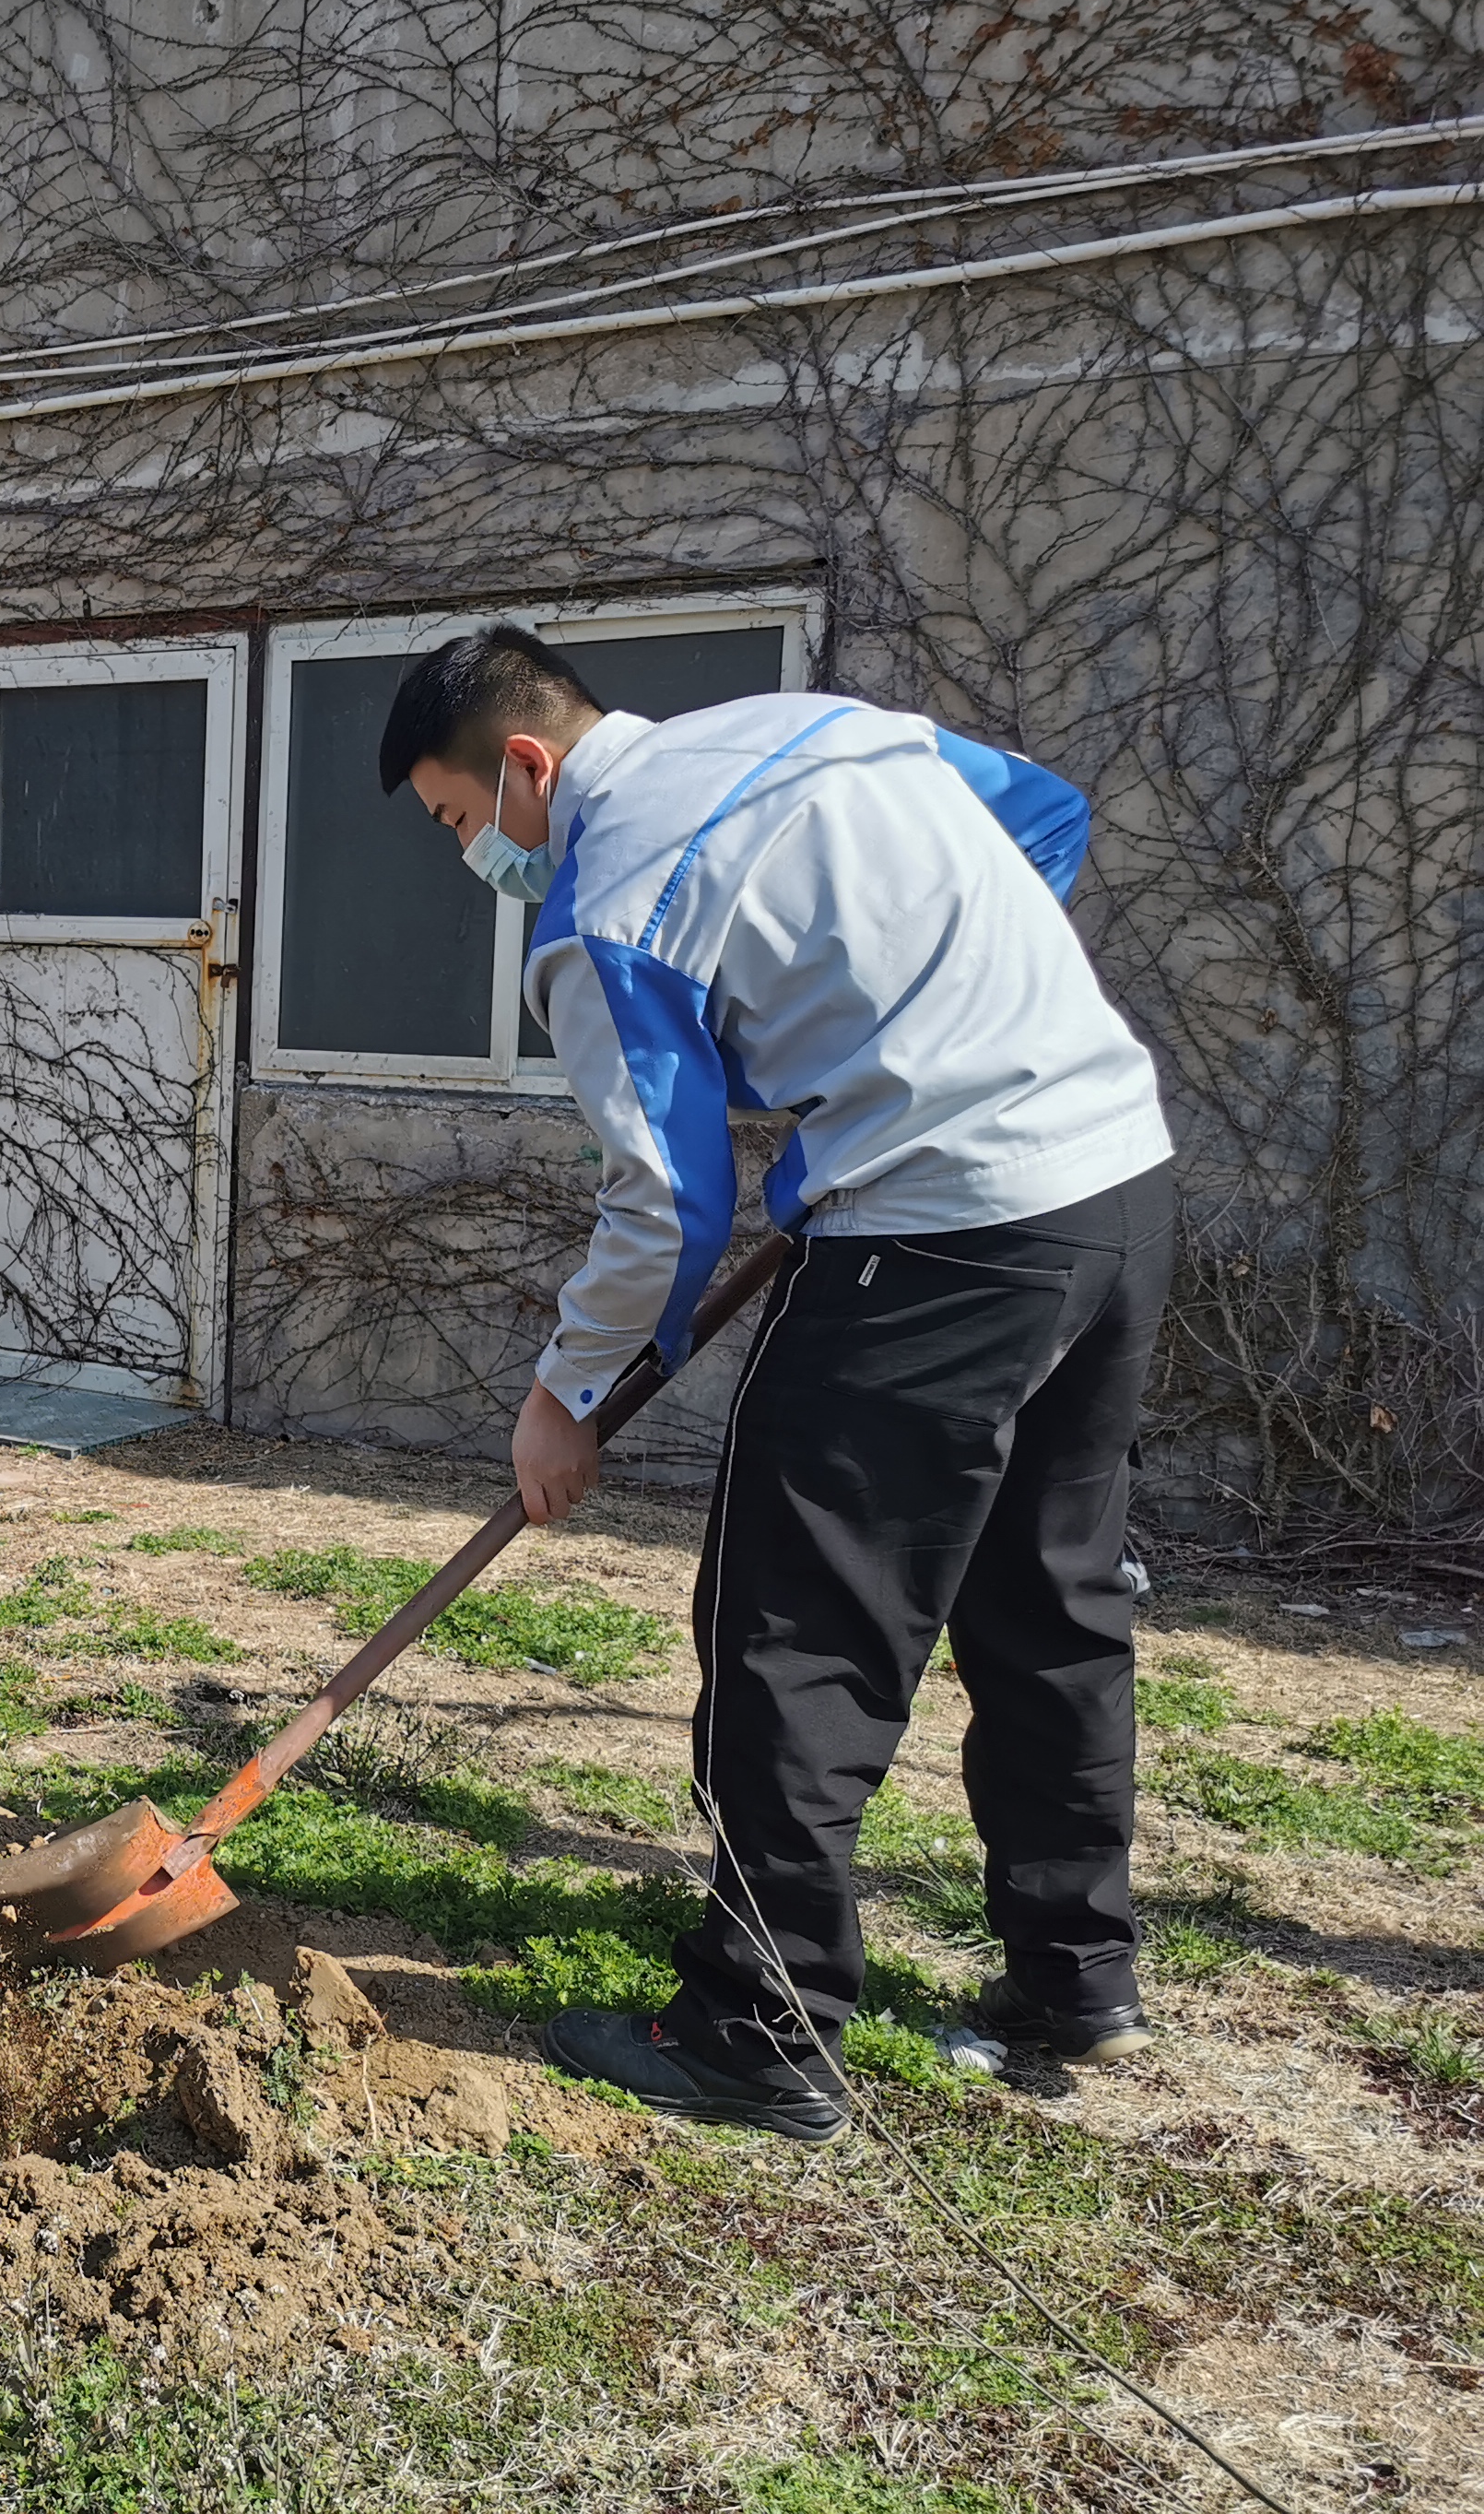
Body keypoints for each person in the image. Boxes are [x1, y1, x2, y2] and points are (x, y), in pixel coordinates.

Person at [379, 628, 1176, 2142]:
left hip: (933, 1238)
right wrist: (930, 1024)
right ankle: (1071, 1979)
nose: (467, 855)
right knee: (1046, 1594)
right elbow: (1045, 816)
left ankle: (758, 2022)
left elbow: (667, 1213)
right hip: (1109, 1185)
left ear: (525, 765)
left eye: (454, 820)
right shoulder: (818, 728)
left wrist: (562, 1396)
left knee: (788, 1629)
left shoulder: (602, 900)